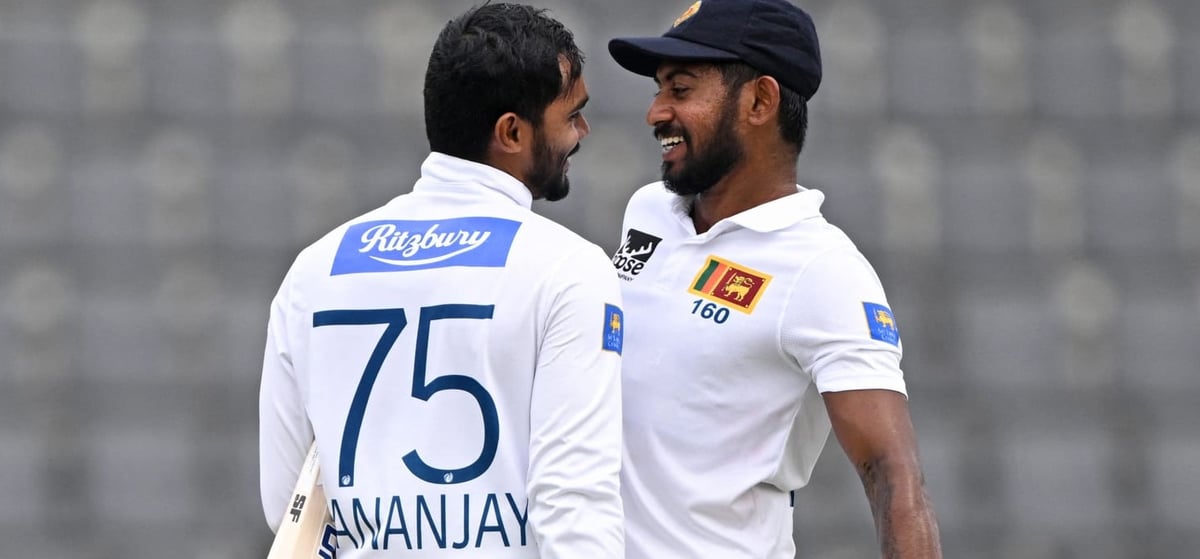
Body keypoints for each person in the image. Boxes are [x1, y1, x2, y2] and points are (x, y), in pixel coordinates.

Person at [260, 4, 625, 557]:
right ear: (512, 132)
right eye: (571, 115)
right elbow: (574, 508)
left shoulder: (314, 269)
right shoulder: (567, 268)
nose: (582, 131)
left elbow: (288, 504)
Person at [606, 0, 942, 557]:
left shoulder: (823, 270)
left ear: (760, 100)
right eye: (658, 89)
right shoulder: (647, 211)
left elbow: (894, 477)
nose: (656, 112)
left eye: (681, 89)